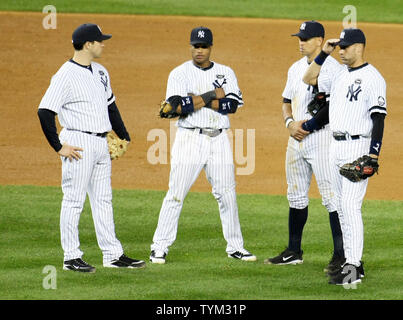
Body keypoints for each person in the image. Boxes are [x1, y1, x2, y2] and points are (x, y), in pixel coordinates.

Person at [37, 23, 145, 272]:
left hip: (100, 143)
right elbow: (45, 111)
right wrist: (58, 147)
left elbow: (111, 107)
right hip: (78, 144)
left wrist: (125, 136)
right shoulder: (65, 75)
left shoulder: (100, 72)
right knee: (74, 200)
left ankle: (112, 254)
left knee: (104, 200)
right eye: (99, 41)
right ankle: (70, 257)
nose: (103, 44)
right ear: (88, 44)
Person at [149, 26, 256, 264]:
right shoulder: (179, 73)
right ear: (190, 46)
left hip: (219, 139)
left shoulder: (226, 72)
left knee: (227, 195)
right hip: (190, 139)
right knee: (176, 194)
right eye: (195, 46)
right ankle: (159, 246)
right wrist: (210, 96)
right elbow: (176, 108)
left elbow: (232, 106)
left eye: (204, 46)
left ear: (210, 47)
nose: (199, 50)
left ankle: (236, 247)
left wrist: (194, 100)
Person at [301, 28, 387, 285]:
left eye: (345, 47)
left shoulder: (373, 78)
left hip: (357, 146)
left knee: (350, 207)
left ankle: (353, 269)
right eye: (339, 47)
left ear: (359, 47)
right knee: (340, 208)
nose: (341, 50)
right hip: (335, 147)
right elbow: (308, 78)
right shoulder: (339, 75)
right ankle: (352, 262)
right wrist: (324, 53)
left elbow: (379, 117)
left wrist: (372, 155)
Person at [264, 21, 345, 273]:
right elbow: (286, 100)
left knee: (332, 197)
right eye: (299, 38)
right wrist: (289, 123)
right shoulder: (294, 68)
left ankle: (341, 255)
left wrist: (307, 126)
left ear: (320, 41)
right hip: (295, 140)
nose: (301, 42)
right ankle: (293, 251)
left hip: (322, 139)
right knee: (296, 194)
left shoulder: (334, 69)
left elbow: (332, 108)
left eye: (306, 39)